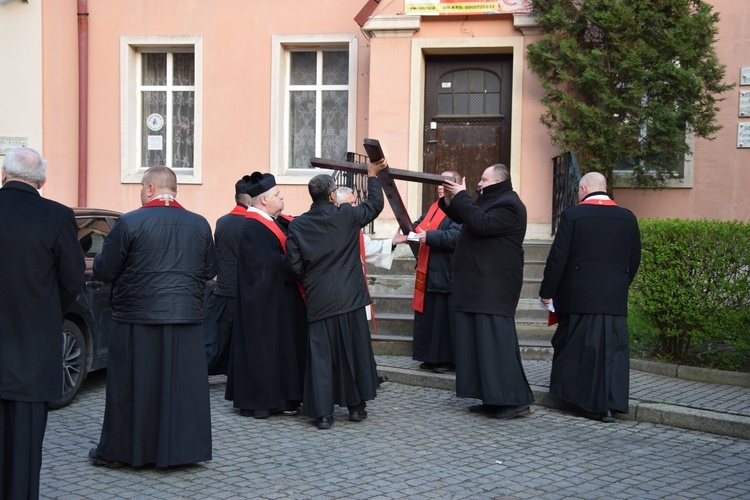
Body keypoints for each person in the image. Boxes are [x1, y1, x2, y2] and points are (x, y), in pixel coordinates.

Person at [89, 165, 217, 468]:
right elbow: (211, 270)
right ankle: (183, 452)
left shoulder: (130, 222)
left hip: (137, 317)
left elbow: (105, 269)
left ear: (149, 189)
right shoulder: (199, 224)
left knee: (132, 389)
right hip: (185, 317)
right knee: (182, 390)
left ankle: (124, 452)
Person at [0, 147, 85, 498]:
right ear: (43, 180)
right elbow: (73, 279)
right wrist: (48, 310)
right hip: (32, 348)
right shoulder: (57, 216)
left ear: (4, 175)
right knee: (24, 445)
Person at [286, 160, 388, 430]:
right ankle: (356, 408)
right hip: (350, 297)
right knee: (353, 351)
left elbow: (294, 266)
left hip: (319, 297)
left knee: (321, 356)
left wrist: (311, 281)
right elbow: (376, 205)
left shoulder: (297, 225)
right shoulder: (346, 215)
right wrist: (373, 177)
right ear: (332, 195)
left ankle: (323, 415)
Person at [538, 171, 641, 423]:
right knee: (612, 354)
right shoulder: (628, 218)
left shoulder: (573, 215)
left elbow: (558, 258)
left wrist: (547, 291)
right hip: (614, 299)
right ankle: (609, 405)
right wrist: (619, 285)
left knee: (581, 350)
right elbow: (634, 259)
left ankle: (583, 402)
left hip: (578, 297)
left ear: (583, 189)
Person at [440, 163, 534, 419]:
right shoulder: (488, 201)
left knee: (496, 347)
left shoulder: (509, 204)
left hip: (493, 288)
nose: (479, 184)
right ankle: (491, 398)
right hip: (478, 287)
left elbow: (480, 223)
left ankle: (514, 401)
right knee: (479, 346)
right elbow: (464, 217)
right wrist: (449, 200)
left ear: (498, 181)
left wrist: (462, 196)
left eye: (483, 179)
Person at [224, 172, 307, 419]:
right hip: (264, 305)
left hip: (273, 301)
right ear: (262, 200)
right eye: (276, 195)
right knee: (267, 352)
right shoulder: (254, 226)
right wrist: (295, 262)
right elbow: (266, 265)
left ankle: (281, 398)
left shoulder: (268, 222)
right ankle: (267, 401)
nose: (282, 198)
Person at [394, 171, 462, 374]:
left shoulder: (460, 209)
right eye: (438, 183)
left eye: (445, 183)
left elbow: (455, 237)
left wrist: (428, 237)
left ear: (456, 185)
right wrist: (408, 233)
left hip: (446, 272)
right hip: (430, 271)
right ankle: (430, 357)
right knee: (430, 317)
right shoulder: (434, 207)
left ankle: (447, 360)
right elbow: (419, 226)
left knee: (444, 319)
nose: (440, 187)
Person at [204, 175, 252, 375]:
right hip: (244, 291)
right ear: (249, 199)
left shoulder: (222, 222)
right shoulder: (252, 224)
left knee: (217, 339)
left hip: (223, 289)